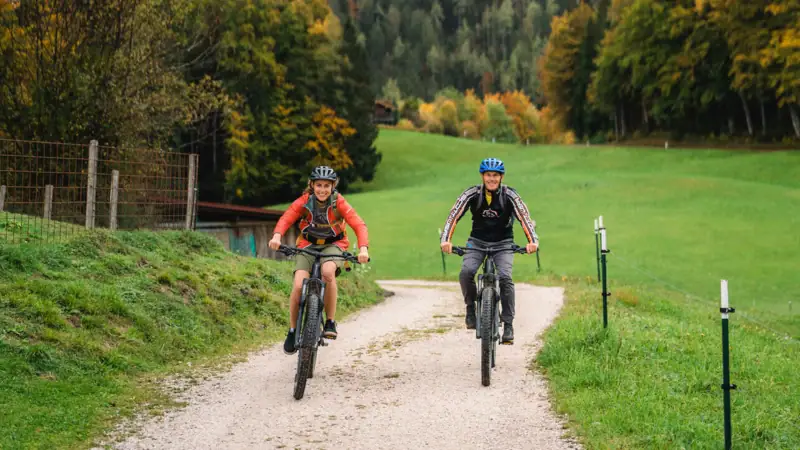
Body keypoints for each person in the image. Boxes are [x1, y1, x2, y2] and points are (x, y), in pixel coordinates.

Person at [269, 166, 370, 355]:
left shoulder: (339, 202)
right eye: (318, 185)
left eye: (326, 186)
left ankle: (330, 321)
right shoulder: (304, 201)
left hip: (335, 244)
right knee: (298, 286)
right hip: (307, 244)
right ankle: (292, 331)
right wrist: (276, 236)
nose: (322, 189)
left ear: (333, 186)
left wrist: (363, 248)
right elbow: (287, 217)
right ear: (312, 185)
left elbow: (359, 224)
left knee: (328, 272)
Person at [439, 157, 538, 344]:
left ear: (501, 177)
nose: (491, 179)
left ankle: (508, 324)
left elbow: (524, 217)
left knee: (506, 277)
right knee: (466, 272)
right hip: (477, 242)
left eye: (495, 175)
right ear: (482, 176)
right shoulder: (472, 194)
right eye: (488, 175)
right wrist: (446, 240)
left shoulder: (510, 195)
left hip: (503, 244)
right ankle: (470, 309)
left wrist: (532, 241)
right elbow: (453, 215)